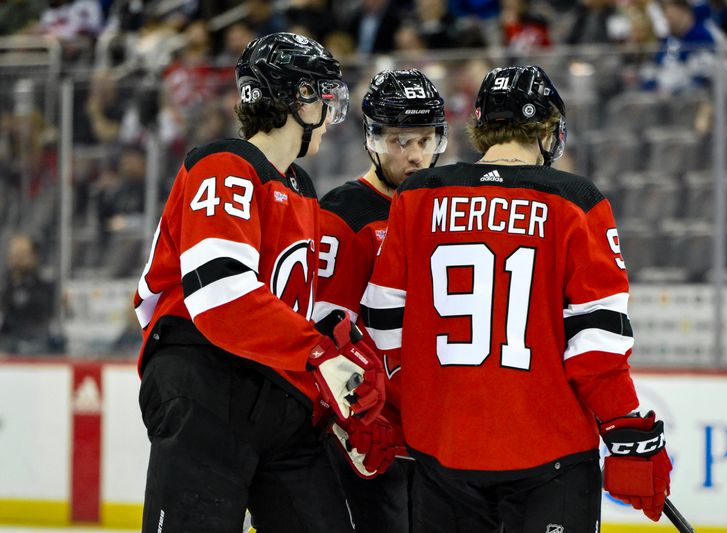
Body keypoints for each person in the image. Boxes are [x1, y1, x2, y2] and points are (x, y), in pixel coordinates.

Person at [360, 65, 673, 532]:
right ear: (548, 129)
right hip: (551, 459)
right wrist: (626, 426)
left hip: (443, 455)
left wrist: (427, 405)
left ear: (481, 126)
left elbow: (383, 319)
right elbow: (596, 344)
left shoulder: (418, 196)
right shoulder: (577, 200)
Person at [132, 32, 385, 533]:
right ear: (293, 99)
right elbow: (220, 294)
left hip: (277, 394)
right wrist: (319, 355)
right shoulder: (224, 164)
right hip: (205, 379)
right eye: (320, 94)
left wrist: (345, 380)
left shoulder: (301, 188)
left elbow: (294, 309)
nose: (331, 110)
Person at [312, 69, 448, 533]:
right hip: (371, 433)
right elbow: (323, 331)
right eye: (399, 141)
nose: (414, 156)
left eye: (425, 140)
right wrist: (353, 417)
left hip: (433, 431)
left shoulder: (444, 207)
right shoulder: (344, 214)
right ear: (372, 139)